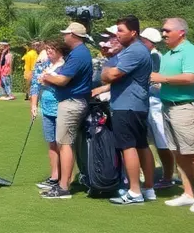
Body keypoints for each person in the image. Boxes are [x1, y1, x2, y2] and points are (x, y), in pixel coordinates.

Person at [95, 16, 157, 205]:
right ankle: (148, 188)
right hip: (135, 105)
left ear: (133, 32)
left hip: (127, 105)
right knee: (141, 145)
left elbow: (111, 74)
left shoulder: (134, 51)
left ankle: (135, 191)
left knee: (128, 146)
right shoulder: (133, 50)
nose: (117, 34)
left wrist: (106, 70)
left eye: (121, 30)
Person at [153, 18, 194, 212]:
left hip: (184, 107)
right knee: (178, 152)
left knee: (193, 153)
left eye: (167, 30)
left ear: (181, 32)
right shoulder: (169, 53)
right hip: (168, 106)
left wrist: (163, 78)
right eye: (163, 30)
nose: (164, 34)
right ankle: (188, 192)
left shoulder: (190, 51)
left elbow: (190, 77)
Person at [39, 23, 94, 199]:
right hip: (73, 101)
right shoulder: (79, 52)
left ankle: (63, 187)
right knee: (65, 143)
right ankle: (64, 182)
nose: (64, 37)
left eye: (66, 34)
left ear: (74, 35)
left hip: (72, 102)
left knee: (64, 143)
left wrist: (47, 77)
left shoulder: (78, 54)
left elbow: (62, 80)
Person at [139, 28, 176, 189]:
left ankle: (168, 176)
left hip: (156, 104)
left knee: (162, 142)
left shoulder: (155, 57)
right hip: (150, 103)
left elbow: (155, 81)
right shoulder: (152, 55)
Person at [32, 40, 61, 191]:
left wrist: (48, 78)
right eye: (48, 49)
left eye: (52, 49)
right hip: (47, 108)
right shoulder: (44, 64)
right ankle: (54, 176)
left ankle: (63, 178)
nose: (49, 52)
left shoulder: (64, 65)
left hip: (61, 108)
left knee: (62, 144)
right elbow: (35, 85)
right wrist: (33, 105)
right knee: (51, 142)